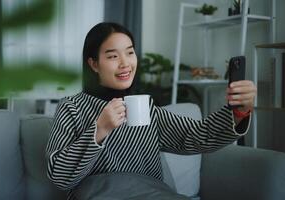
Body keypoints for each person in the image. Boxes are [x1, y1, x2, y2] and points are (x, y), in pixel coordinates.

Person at [45, 22, 257, 199]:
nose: (125, 63)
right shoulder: (71, 107)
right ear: (94, 64)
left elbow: (195, 136)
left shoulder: (144, 107)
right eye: (112, 56)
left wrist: (239, 111)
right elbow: (59, 176)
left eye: (130, 53)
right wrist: (99, 130)